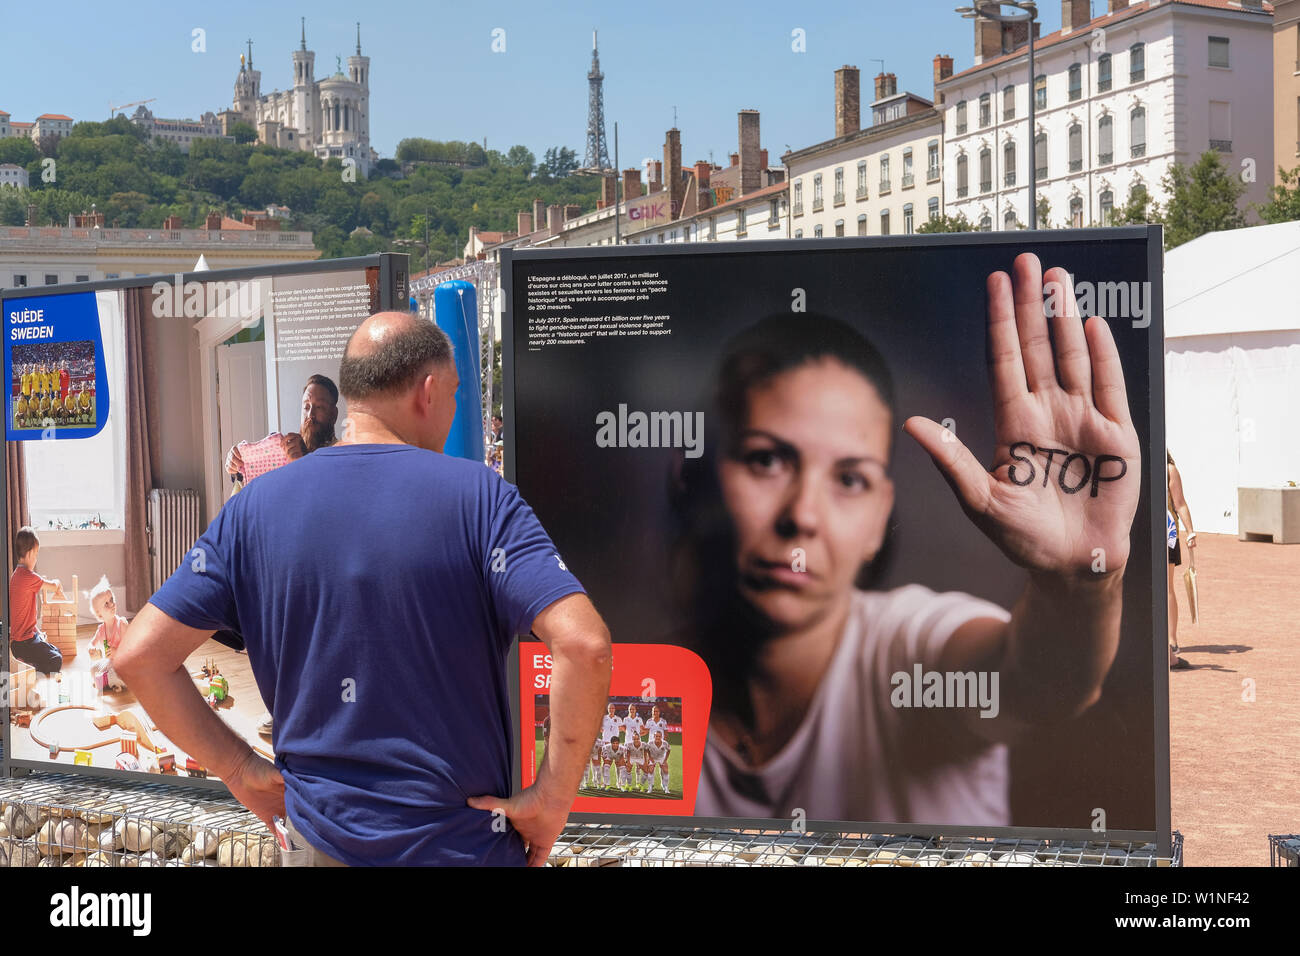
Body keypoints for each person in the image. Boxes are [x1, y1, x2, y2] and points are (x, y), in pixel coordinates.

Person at [116, 311, 611, 866]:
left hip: (317, 842)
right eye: (453, 395)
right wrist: (552, 798)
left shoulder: (253, 508)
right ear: (428, 391)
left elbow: (139, 658)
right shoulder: (482, 498)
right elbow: (584, 647)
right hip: (461, 845)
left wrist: (239, 769)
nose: (452, 413)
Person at [674, 253, 1140, 825]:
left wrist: (1078, 582)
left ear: (879, 519)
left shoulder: (907, 649)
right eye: (766, 459)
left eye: (850, 479)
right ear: (694, 478)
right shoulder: (636, 689)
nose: (803, 516)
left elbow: (1041, 683)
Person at [8, 527, 66, 674]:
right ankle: (28, 666)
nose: (36, 557)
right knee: (56, 659)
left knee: (56, 650)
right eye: (36, 553)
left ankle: (27, 660)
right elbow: (52, 586)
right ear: (30, 553)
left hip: (23, 640)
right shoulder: (28, 576)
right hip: (23, 644)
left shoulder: (16, 575)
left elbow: (24, 617)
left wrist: (37, 632)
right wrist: (58, 583)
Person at [1167, 450, 1196, 670]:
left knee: (1166, 587)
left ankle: (1171, 640)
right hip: (1141, 534)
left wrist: (1190, 531)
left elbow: (1180, 503)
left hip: (1167, 533)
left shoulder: (1169, 470)